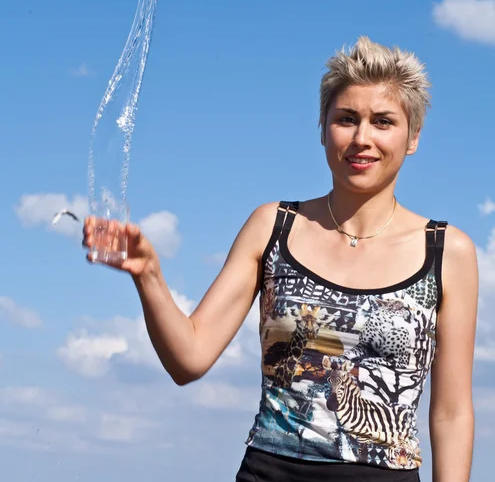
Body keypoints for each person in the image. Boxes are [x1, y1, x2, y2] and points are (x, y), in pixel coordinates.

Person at [83, 37, 478, 482]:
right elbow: (188, 359)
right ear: (323, 126)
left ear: (413, 137)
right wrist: (149, 274)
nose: (362, 138)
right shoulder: (273, 226)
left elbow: (451, 412)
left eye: (382, 121)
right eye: (346, 119)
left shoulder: (447, 251)